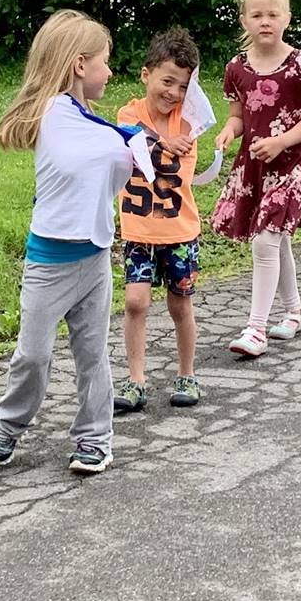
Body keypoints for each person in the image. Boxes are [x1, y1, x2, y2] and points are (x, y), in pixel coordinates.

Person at [0, 10, 152, 475]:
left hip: (94, 257)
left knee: (92, 354)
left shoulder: (87, 118)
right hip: (49, 262)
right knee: (33, 356)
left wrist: (139, 148)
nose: (110, 71)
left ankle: (94, 439)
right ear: (80, 64)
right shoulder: (55, 114)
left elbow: (114, 164)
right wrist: (136, 142)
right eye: (105, 61)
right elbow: (90, 151)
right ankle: (9, 425)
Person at [211, 0, 301, 358]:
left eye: (273, 14)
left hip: (291, 164)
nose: (265, 21)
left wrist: (281, 141)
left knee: (265, 240)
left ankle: (256, 329)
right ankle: (294, 312)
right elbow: (238, 115)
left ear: (287, 18)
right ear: (244, 19)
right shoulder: (236, 68)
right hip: (254, 165)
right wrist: (229, 131)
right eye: (257, 14)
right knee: (278, 241)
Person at [112, 28, 204, 415]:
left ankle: (187, 374)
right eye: (167, 81)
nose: (173, 93)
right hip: (137, 230)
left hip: (179, 232)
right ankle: (136, 380)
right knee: (135, 302)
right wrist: (160, 142)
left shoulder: (190, 122)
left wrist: (171, 139)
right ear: (145, 74)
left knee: (180, 305)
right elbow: (132, 137)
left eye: (183, 86)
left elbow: (177, 147)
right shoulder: (127, 114)